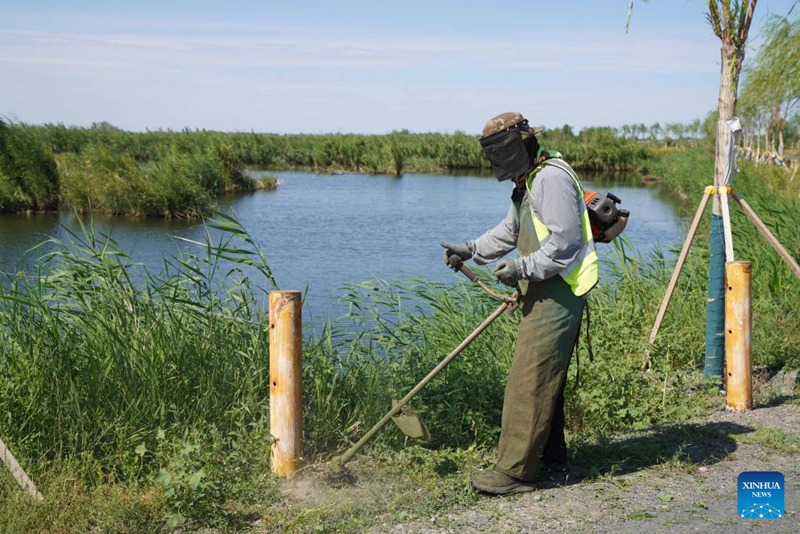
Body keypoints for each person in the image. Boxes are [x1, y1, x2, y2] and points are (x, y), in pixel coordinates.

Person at [441, 111, 598, 495]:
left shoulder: (551, 178)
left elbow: (567, 242)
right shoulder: (528, 181)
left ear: (521, 143)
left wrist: (522, 268)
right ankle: (552, 457)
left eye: (502, 151)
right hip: (543, 287)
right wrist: (472, 249)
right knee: (547, 378)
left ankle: (514, 473)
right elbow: (511, 230)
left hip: (561, 290)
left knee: (528, 380)